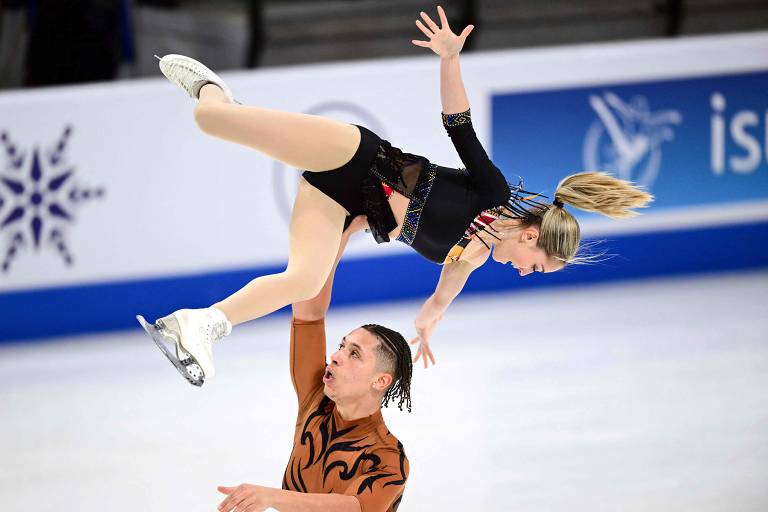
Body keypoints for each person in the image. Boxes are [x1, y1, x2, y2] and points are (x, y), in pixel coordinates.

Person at [142, 5, 652, 385]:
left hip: (339, 202)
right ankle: (215, 90)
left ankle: (199, 325)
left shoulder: (467, 260)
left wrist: (427, 325)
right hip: (352, 154)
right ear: (532, 233)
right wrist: (450, 59)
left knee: (304, 279)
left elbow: (437, 301)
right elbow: (459, 126)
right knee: (210, 119)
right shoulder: (493, 196)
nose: (525, 273)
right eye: (536, 265)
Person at [215, 216, 411, 512]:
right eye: (342, 346)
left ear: (381, 380)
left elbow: (352, 508)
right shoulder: (315, 399)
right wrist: (341, 232)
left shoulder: (388, 457)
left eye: (354, 354)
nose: (336, 356)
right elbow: (309, 312)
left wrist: (270, 497)